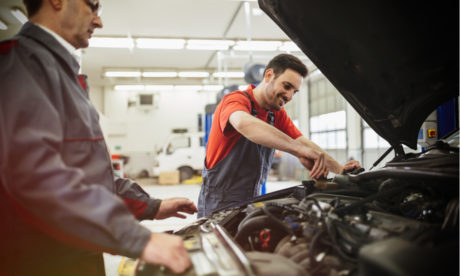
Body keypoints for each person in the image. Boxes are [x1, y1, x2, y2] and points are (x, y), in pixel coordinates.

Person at [0, 0, 197, 275]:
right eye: (93, 6)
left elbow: (90, 176)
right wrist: (137, 238)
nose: (98, 21)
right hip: (41, 262)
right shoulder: (21, 64)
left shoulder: (63, 72)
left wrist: (152, 206)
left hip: (77, 256)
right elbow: (35, 176)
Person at [198, 54, 361, 217]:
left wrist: (339, 169)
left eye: (294, 92)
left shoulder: (275, 114)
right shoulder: (235, 100)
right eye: (286, 86)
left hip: (251, 199)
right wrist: (297, 150)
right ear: (269, 75)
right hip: (219, 202)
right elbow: (243, 123)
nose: (289, 96)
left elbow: (304, 143)